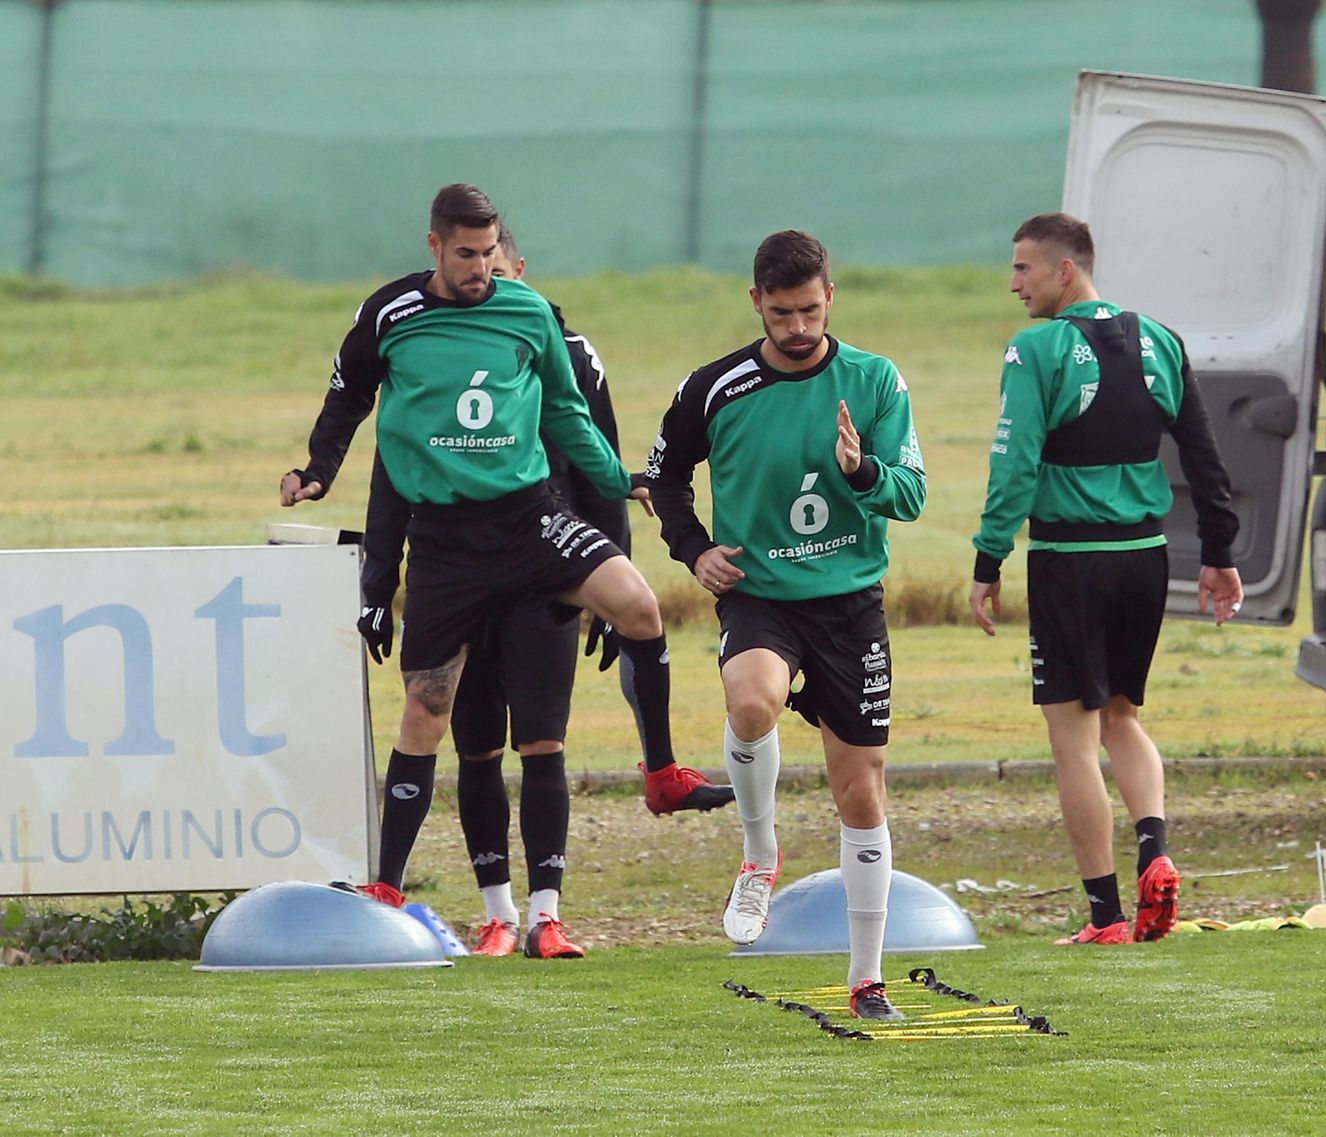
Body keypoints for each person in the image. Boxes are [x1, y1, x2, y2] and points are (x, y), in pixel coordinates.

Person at [281, 184, 668, 961]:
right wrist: (319, 469)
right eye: (465, 254)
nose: (480, 269)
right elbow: (348, 396)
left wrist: (620, 479)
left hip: (529, 522)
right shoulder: (391, 314)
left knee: (638, 604)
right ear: (434, 246)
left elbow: (567, 412)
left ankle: (661, 770)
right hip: (447, 545)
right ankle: (386, 888)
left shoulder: (529, 312)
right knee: (427, 711)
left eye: (490, 253)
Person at [356, 227, 734, 958]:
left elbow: (597, 450)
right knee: (468, 741)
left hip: (544, 556)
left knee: (544, 741)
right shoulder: (428, 342)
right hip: (457, 562)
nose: (481, 281)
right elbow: (390, 472)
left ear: (518, 271)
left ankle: (547, 915)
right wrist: (378, 580)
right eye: (468, 265)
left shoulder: (561, 342)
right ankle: (492, 914)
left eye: (495, 268)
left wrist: (606, 563)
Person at [644, 230, 926, 1020]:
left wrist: (861, 470)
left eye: (809, 310)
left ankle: (867, 979)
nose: (797, 328)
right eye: (781, 313)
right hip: (762, 593)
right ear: (756, 303)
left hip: (849, 601)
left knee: (860, 790)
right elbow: (662, 477)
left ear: (829, 296)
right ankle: (759, 854)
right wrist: (693, 549)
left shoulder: (873, 380)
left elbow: (911, 493)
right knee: (751, 700)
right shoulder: (713, 387)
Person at [968, 212, 1244, 946]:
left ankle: (1106, 916)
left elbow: (1014, 465)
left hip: (1070, 560)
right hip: (1145, 555)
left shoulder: (1037, 349)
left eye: (1024, 267)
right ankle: (1155, 850)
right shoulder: (1161, 338)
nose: (1014, 282)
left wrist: (988, 559)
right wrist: (1219, 550)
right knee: (1123, 716)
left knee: (1072, 738)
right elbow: (1203, 455)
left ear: (1066, 270)